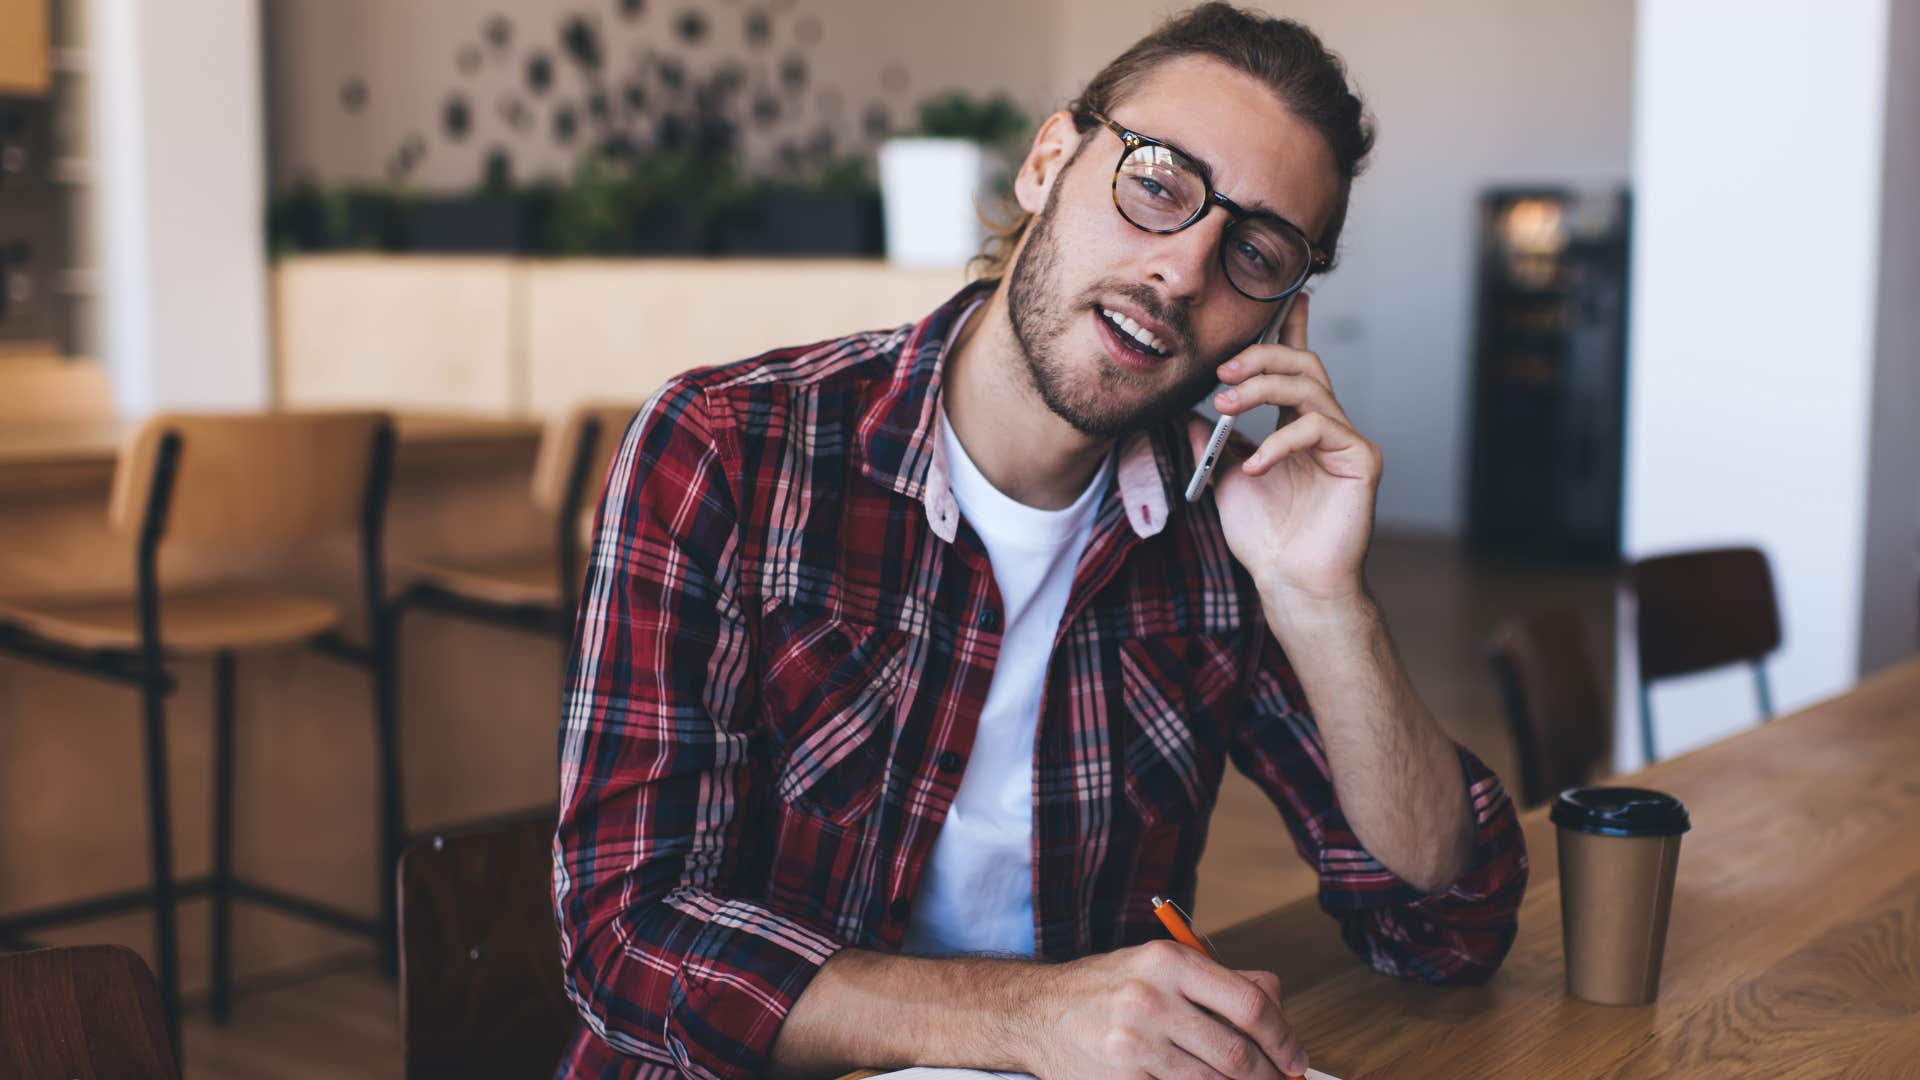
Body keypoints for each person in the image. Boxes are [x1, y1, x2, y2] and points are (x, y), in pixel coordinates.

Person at [552, 4, 1527, 1077]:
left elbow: (1444, 922)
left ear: (1279, 316)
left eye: (1255, 251)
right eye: (1158, 183)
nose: (1183, 271)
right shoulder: (728, 447)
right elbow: (627, 941)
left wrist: (1321, 601)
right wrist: (1030, 1019)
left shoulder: (1225, 528)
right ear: (1049, 160)